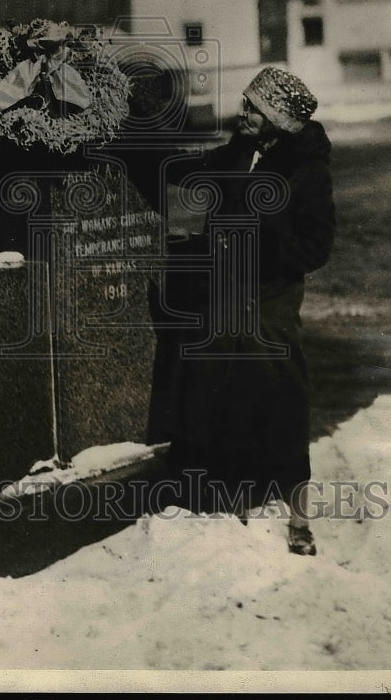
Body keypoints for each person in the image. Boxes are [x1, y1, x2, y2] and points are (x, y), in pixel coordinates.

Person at [137, 67, 335, 555]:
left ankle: (298, 521)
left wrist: (260, 248)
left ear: (278, 119)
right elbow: (193, 172)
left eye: (253, 108)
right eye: (245, 104)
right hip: (225, 295)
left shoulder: (306, 171)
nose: (242, 113)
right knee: (226, 400)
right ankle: (237, 509)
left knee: (281, 400)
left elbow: (315, 247)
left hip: (270, 300)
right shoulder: (240, 151)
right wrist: (142, 161)